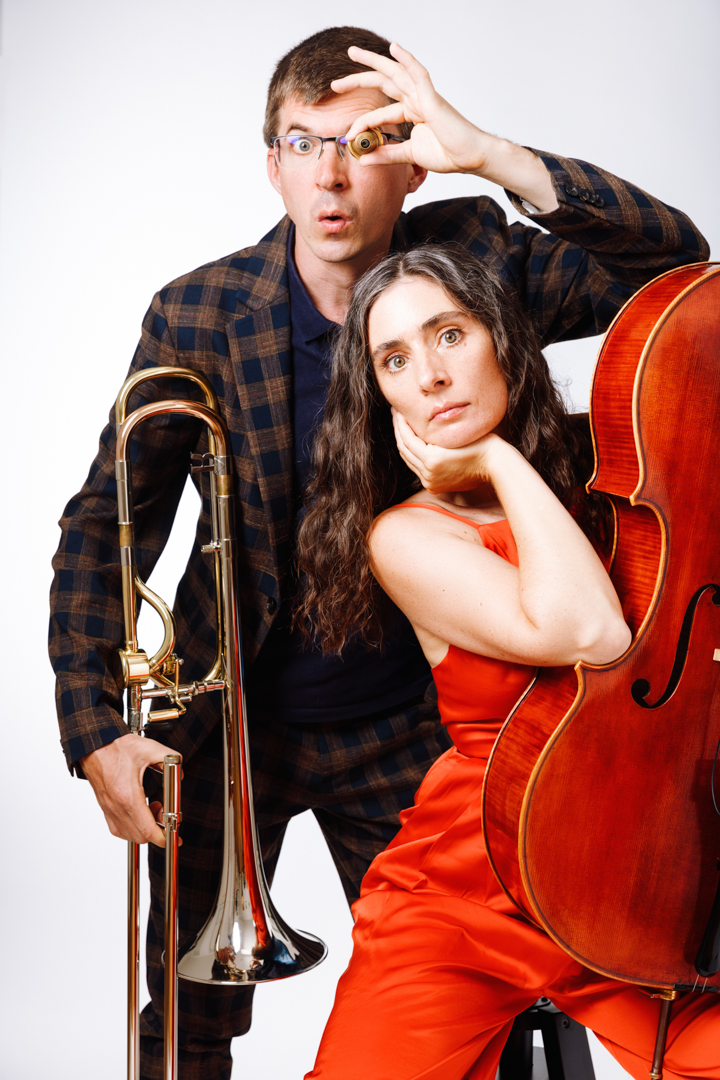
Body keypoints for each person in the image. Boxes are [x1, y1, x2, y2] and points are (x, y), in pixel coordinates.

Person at [48, 26, 710, 1080]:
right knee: (187, 1014)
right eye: (304, 144)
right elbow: (107, 520)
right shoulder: (199, 313)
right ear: (272, 164)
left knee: (492, 997)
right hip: (232, 723)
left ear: (411, 165)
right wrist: (95, 726)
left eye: (366, 144)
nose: (332, 176)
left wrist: (490, 152)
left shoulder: (476, 268)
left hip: (413, 718)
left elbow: (676, 270)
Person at [297, 244, 720, 1080]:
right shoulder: (404, 537)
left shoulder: (619, 478)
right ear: (380, 395)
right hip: (474, 882)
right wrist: (494, 457)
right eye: (394, 360)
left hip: (634, 866)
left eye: (450, 335)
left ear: (502, 338)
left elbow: (682, 263)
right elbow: (592, 635)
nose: (430, 375)